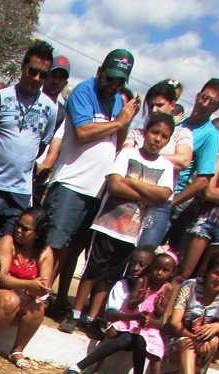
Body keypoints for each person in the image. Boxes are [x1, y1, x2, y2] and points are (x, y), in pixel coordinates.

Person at [43, 49, 139, 316]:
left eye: (119, 81)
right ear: (100, 72)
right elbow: (83, 132)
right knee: (54, 245)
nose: (113, 85)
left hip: (97, 192)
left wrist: (124, 124)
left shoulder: (118, 102)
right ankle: (34, 298)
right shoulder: (83, 92)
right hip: (71, 185)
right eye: (110, 78)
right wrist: (119, 122)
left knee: (72, 251)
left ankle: (49, 299)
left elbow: (117, 143)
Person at [59, 114, 174, 334]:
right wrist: (146, 193)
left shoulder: (165, 166)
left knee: (111, 276)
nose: (157, 139)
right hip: (108, 224)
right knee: (92, 270)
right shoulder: (128, 154)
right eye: (154, 132)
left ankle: (92, 317)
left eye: (163, 136)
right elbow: (114, 185)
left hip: (132, 233)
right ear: (145, 132)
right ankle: (75, 313)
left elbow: (163, 195)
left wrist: (129, 181)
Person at [62, 249, 178, 374]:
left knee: (141, 342)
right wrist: (140, 301)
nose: (159, 273)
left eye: (165, 270)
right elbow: (125, 307)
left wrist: (156, 307)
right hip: (127, 323)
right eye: (157, 268)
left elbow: (160, 318)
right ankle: (77, 367)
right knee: (127, 338)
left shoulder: (167, 289)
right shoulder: (138, 283)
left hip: (145, 329)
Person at [0, 41, 56, 239]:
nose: (36, 78)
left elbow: (41, 145)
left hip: (20, 192)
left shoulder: (50, 108)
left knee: (6, 246)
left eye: (43, 75)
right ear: (23, 67)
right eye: (33, 71)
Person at [0, 205, 52, 367]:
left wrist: (38, 289)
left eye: (25, 229)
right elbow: (1, 277)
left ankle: (17, 350)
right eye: (18, 225)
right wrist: (29, 284)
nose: (18, 230)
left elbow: (44, 284)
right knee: (11, 299)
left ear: (38, 233)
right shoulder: (8, 242)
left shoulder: (45, 251)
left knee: (38, 308)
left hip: (24, 296)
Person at [122, 81, 193, 247]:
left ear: (172, 105)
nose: (154, 109)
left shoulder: (182, 134)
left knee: (143, 255)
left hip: (159, 204)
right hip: (129, 198)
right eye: (151, 105)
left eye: (159, 105)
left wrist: (146, 154)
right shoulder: (137, 133)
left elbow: (183, 160)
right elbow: (126, 157)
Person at [168, 79, 219, 250]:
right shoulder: (178, 123)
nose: (205, 103)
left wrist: (173, 202)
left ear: (217, 107)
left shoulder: (211, 135)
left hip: (171, 197)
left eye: (212, 102)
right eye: (204, 97)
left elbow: (203, 180)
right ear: (197, 96)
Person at [181, 150, 219, 280]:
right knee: (184, 272)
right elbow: (209, 192)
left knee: (209, 276)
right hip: (206, 220)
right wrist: (217, 193)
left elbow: (214, 192)